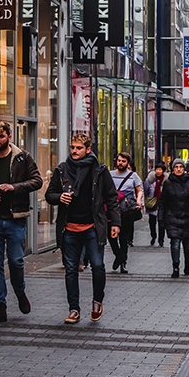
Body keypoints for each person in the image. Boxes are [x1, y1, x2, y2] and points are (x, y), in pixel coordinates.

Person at [46, 134, 120, 324]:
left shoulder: (99, 170)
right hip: (69, 229)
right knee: (71, 270)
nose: (74, 151)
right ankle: (74, 309)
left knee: (97, 265)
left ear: (88, 149)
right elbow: (49, 194)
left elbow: (111, 197)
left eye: (79, 148)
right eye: (72, 147)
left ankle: (97, 301)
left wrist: (116, 223)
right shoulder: (62, 169)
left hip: (92, 228)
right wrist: (59, 197)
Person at [0, 121, 43, 323]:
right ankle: (0, 307)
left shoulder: (22, 157)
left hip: (15, 219)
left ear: (9, 137)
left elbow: (36, 180)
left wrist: (15, 187)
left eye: (1, 136)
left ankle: (20, 293)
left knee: (16, 261)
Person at [160, 159, 189, 278]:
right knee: (175, 243)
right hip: (172, 217)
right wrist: (161, 218)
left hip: (188, 218)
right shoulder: (168, 183)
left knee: (188, 245)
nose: (178, 169)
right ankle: (176, 267)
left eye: (181, 167)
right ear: (172, 169)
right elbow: (163, 202)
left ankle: (187, 264)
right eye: (176, 167)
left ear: (184, 169)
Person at [108, 152, 144, 274]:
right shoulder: (109, 174)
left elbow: (139, 190)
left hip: (126, 211)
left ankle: (123, 263)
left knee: (124, 239)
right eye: (119, 161)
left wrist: (139, 200)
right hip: (112, 211)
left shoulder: (133, 176)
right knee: (111, 237)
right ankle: (118, 256)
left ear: (127, 163)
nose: (120, 163)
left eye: (123, 161)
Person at [144, 163, 168, 246]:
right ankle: (153, 236)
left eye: (160, 170)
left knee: (161, 223)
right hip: (152, 204)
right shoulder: (150, 180)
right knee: (152, 222)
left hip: (162, 204)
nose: (158, 171)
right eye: (157, 169)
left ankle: (161, 240)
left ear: (163, 171)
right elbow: (145, 190)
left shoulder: (166, 181)